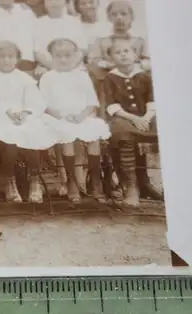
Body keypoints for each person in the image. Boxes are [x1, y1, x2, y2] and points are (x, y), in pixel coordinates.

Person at [0, 41, 59, 203]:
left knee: (33, 133)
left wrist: (26, 112)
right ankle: (10, 181)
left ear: (17, 59)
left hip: (24, 115)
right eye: (2, 57)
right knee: (11, 137)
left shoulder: (23, 78)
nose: (6, 60)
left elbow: (35, 99)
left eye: (10, 57)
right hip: (0, 116)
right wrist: (8, 112)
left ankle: (34, 180)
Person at [40, 38, 110, 203]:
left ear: (75, 56)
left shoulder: (82, 76)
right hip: (58, 118)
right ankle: (71, 181)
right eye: (58, 56)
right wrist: (62, 116)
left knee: (94, 130)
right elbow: (43, 105)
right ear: (51, 57)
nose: (63, 59)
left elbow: (92, 102)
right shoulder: (47, 77)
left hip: (82, 116)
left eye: (67, 55)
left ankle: (95, 182)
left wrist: (81, 116)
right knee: (67, 134)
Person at [103, 36, 157, 207]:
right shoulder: (110, 79)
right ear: (111, 59)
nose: (123, 55)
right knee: (123, 132)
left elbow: (152, 100)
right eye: (117, 53)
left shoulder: (144, 76)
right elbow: (111, 106)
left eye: (127, 51)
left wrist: (147, 117)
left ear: (135, 55)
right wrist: (134, 118)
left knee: (162, 128)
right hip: (122, 118)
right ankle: (131, 186)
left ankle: (145, 183)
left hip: (146, 116)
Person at [33, 0, 88, 78]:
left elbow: (81, 50)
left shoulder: (75, 22)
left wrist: (69, 67)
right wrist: (54, 67)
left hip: (74, 67)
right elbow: (38, 52)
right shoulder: (38, 24)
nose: (54, 2)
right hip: (49, 67)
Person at [0, 0, 36, 75]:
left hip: (25, 64)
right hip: (1, 65)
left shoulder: (26, 11)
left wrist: (40, 65)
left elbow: (36, 39)